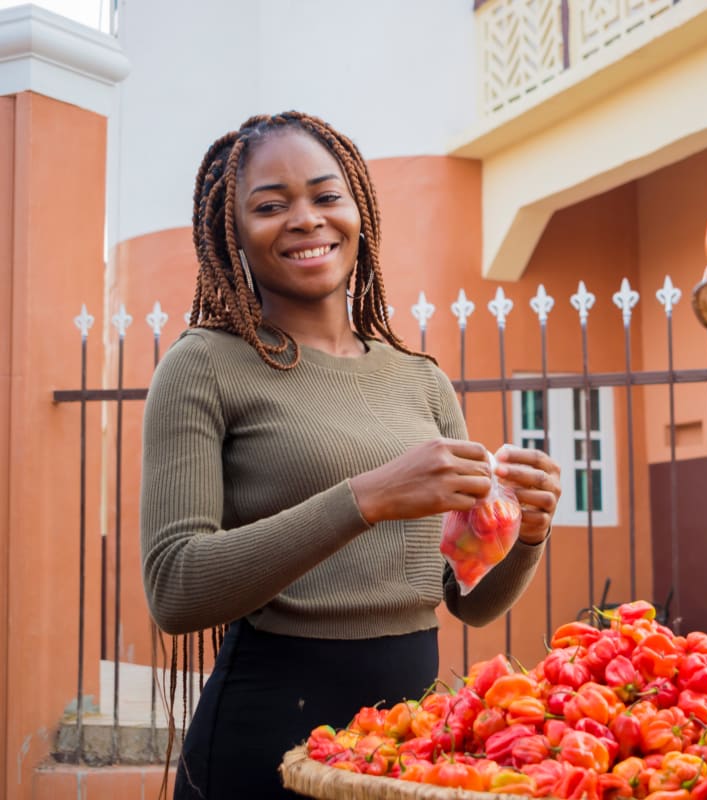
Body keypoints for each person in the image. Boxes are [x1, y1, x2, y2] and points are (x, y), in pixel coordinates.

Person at [139, 111, 561, 799]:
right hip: (266, 734)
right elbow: (176, 588)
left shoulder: (419, 378)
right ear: (233, 233)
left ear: (357, 209)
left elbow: (467, 600)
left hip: (408, 742)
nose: (306, 219)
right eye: (271, 206)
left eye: (325, 196)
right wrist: (366, 500)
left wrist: (528, 533)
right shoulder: (204, 367)